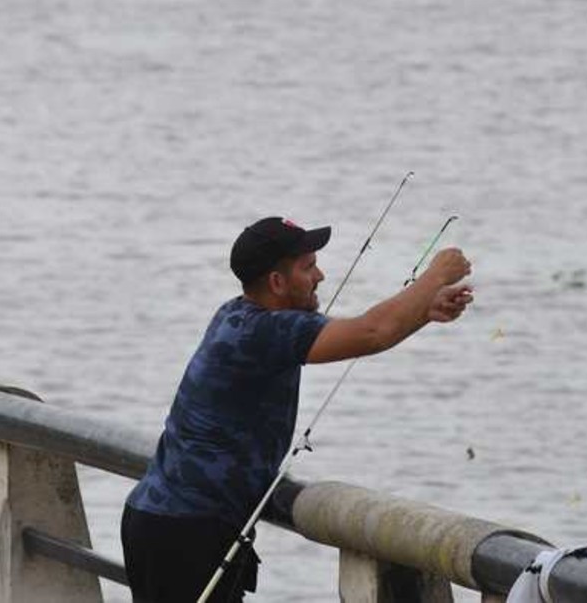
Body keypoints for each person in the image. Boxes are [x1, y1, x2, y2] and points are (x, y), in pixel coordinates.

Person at [121, 217, 474, 602]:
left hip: (166, 521)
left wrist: (424, 310)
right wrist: (434, 278)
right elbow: (373, 332)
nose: (320, 275)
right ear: (277, 282)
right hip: (186, 534)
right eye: (308, 267)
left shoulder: (238, 316)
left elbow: (362, 333)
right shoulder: (265, 333)